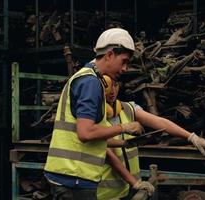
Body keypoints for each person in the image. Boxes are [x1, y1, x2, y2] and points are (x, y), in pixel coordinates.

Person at [44, 28, 143, 200]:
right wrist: (124, 127)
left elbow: (89, 134)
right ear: (110, 55)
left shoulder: (88, 78)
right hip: (73, 178)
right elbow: (86, 133)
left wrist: (122, 142)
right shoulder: (91, 83)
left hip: (70, 175)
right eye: (124, 61)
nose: (125, 68)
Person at [97, 79, 205, 200]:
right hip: (107, 194)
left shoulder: (128, 109)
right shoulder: (93, 115)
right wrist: (135, 183)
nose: (113, 91)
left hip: (129, 190)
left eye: (116, 85)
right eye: (108, 86)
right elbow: (111, 156)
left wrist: (191, 137)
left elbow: (160, 122)